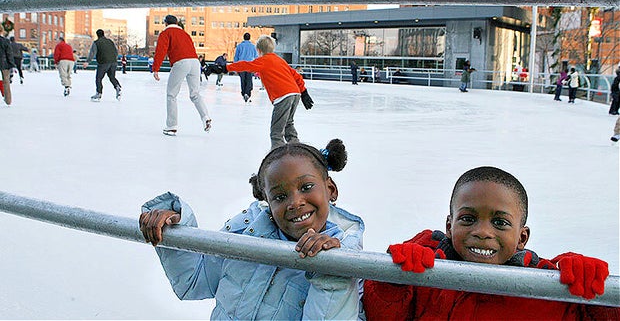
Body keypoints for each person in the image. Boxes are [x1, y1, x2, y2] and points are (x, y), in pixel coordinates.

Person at [139, 139, 364, 320]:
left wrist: (332, 270)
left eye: (306, 187)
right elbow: (194, 282)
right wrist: (177, 232)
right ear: (267, 200)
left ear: (331, 189)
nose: (295, 203)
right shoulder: (246, 231)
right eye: (280, 196)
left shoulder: (346, 257)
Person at [362, 166, 618, 320]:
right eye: (468, 219)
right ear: (450, 226)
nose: (482, 232)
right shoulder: (426, 273)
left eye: (500, 223)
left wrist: (597, 297)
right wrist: (392, 280)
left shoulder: (548, 288)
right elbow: (383, 316)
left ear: (522, 238)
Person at [223, 35, 313, 150]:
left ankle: (277, 156)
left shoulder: (263, 60)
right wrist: (304, 92)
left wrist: (226, 68)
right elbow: (296, 75)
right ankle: (297, 149)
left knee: (276, 131)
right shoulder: (280, 60)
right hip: (295, 94)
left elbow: (245, 65)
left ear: (259, 50)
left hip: (283, 96)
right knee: (288, 123)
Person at [153, 15, 211, 136]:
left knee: (171, 94)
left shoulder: (166, 33)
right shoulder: (185, 34)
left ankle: (171, 126)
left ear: (165, 23)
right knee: (195, 94)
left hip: (181, 62)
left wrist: (156, 68)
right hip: (195, 62)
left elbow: (161, 50)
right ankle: (205, 117)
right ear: (177, 22)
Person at [83, 29, 122, 102]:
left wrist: (87, 61)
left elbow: (92, 53)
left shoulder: (96, 42)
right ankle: (117, 87)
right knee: (112, 77)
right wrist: (114, 59)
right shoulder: (110, 41)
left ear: (97, 35)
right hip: (113, 62)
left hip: (103, 62)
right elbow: (116, 51)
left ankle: (99, 93)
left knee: (99, 78)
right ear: (103, 34)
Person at [233, 32, 258, 102]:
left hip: (241, 65)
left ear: (243, 38)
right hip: (250, 65)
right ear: (249, 38)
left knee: (243, 80)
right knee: (249, 80)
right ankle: (247, 93)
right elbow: (256, 56)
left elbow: (236, 57)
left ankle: (244, 92)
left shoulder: (239, 46)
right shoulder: (253, 46)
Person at [0, 29, 15, 105]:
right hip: (4, 63)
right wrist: (11, 64)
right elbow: (9, 53)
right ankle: (8, 100)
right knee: (6, 82)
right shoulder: (5, 41)